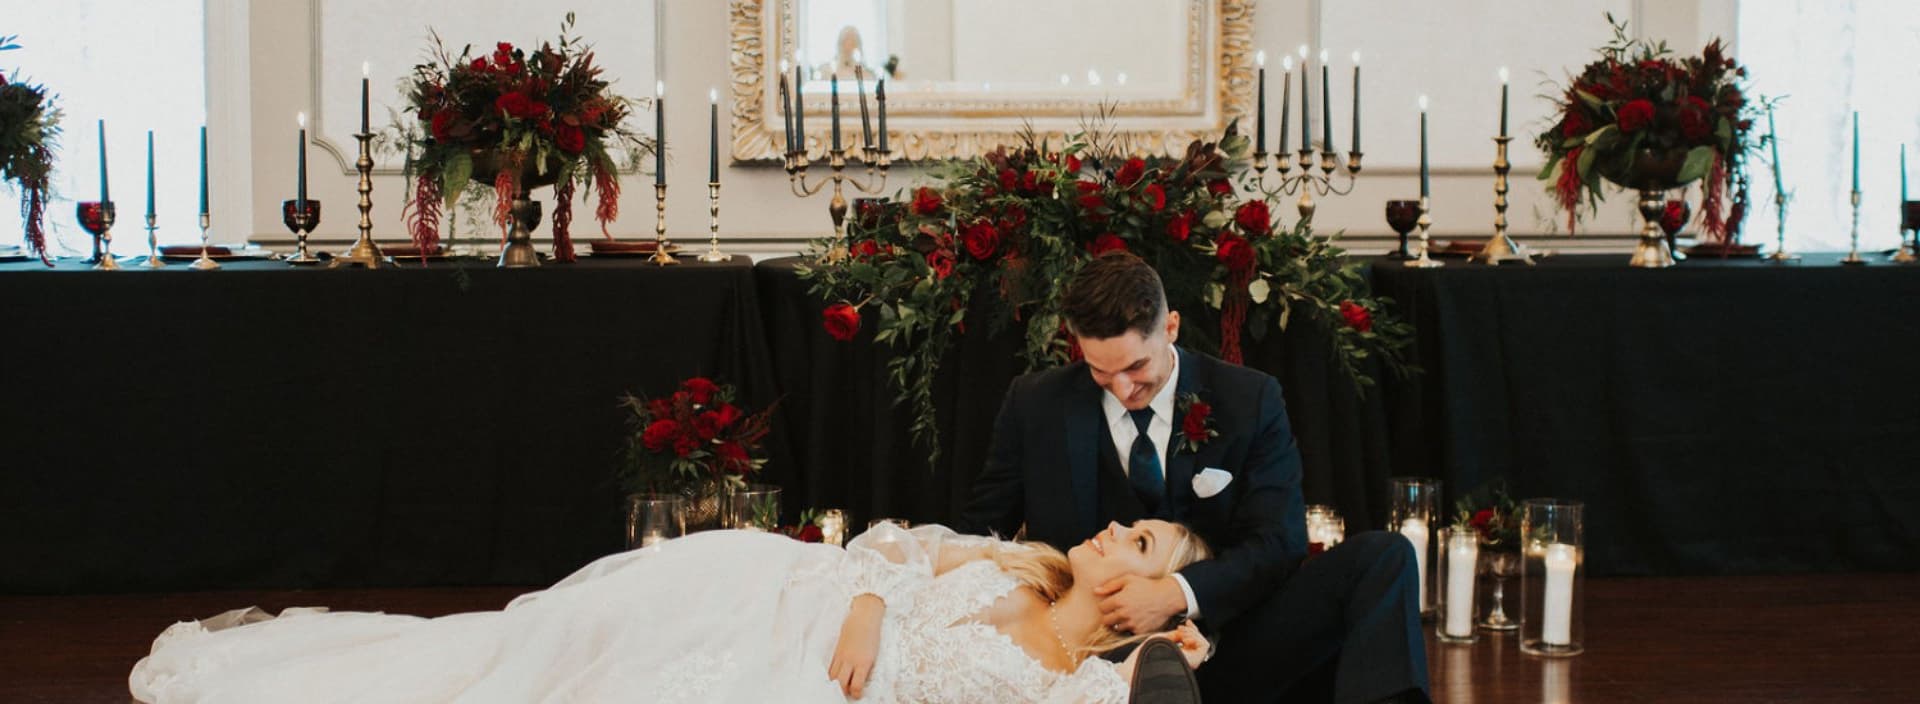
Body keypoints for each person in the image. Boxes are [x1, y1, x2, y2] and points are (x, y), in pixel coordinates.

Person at [958, 251, 1430, 704]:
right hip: (1093, 659)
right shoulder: (1036, 403)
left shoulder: (1249, 399)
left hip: (1231, 643)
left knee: (1384, 557)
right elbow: (981, 532)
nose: (1124, 390)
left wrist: (1174, 595)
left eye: (1137, 367)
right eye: (1101, 371)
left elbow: (1279, 542)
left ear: (1171, 327)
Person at [130, 520, 1211, 703]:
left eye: (1140, 542)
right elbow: (889, 539)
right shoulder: (1018, 560)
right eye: (1130, 527)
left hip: (794, 686)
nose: (1116, 535)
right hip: (790, 599)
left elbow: (1159, 685)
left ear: (1138, 596)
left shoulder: (1085, 681)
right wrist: (872, 606)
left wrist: (1171, 638)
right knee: (536, 639)